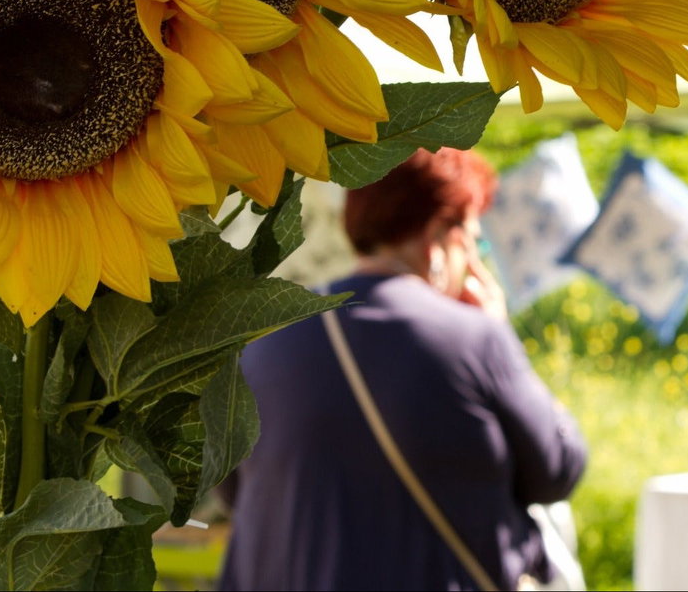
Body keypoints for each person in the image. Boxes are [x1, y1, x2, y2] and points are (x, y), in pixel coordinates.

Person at [219, 148, 588, 591]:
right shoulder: (473, 339)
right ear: (437, 237)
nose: (474, 257)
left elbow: (233, 490)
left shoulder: (266, 343)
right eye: (473, 239)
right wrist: (498, 333)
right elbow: (558, 469)